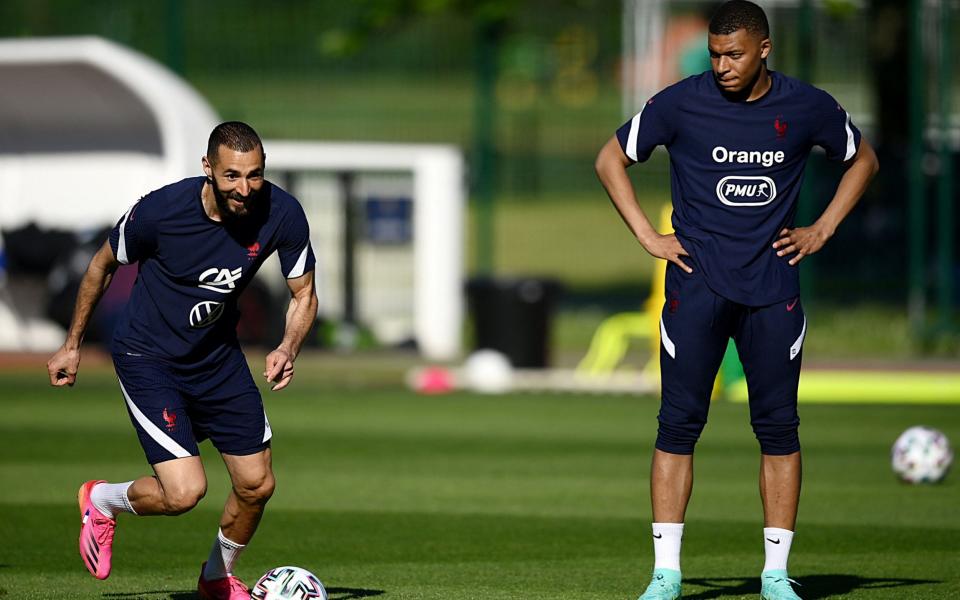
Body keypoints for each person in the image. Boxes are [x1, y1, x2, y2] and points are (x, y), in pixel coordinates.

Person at [594, 2, 879, 599]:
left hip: (773, 291)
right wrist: (648, 236)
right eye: (716, 53)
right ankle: (665, 575)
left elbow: (863, 160)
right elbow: (610, 159)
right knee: (677, 427)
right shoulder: (679, 102)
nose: (722, 65)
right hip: (695, 287)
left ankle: (776, 575)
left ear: (764, 49)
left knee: (778, 429)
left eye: (735, 54)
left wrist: (822, 228)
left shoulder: (806, 106)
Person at [46, 121, 319, 600]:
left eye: (254, 175)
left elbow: (304, 292)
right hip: (148, 357)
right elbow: (101, 265)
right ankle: (102, 500)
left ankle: (216, 578)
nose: (245, 188)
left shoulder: (283, 213)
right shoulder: (162, 211)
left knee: (256, 484)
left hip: (217, 359)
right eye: (232, 175)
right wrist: (72, 343)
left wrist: (287, 346)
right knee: (183, 494)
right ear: (208, 168)